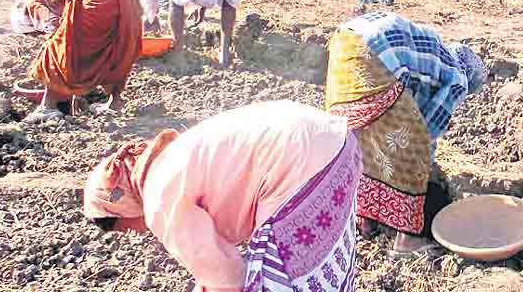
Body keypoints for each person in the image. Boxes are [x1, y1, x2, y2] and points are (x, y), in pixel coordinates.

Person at [81, 101, 360, 292]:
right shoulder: (172, 159)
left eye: (123, 228)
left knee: (275, 278)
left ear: (123, 209)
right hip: (335, 142)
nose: (135, 233)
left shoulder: (158, 197)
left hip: (300, 165)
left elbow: (225, 276)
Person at [323, 11, 486, 256]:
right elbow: (427, 129)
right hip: (374, 56)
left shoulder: (432, 55)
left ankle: (364, 221)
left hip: (343, 47)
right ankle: (408, 241)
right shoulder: (458, 75)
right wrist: (423, 170)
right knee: (414, 150)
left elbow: (405, 112)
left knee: (363, 142)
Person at [9, 0, 142, 123]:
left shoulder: (32, 3)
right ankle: (115, 102)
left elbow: (52, 26)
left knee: (56, 50)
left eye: (34, 34)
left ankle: (49, 107)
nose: (37, 36)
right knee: (118, 47)